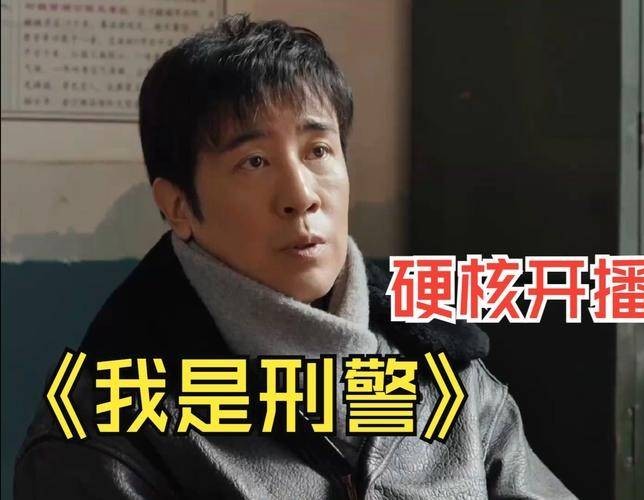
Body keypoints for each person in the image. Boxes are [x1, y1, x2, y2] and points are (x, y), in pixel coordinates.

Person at [14, 13, 575, 499]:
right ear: (178, 205)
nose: (301, 195)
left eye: (318, 150)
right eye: (254, 162)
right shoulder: (107, 427)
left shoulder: (445, 370)